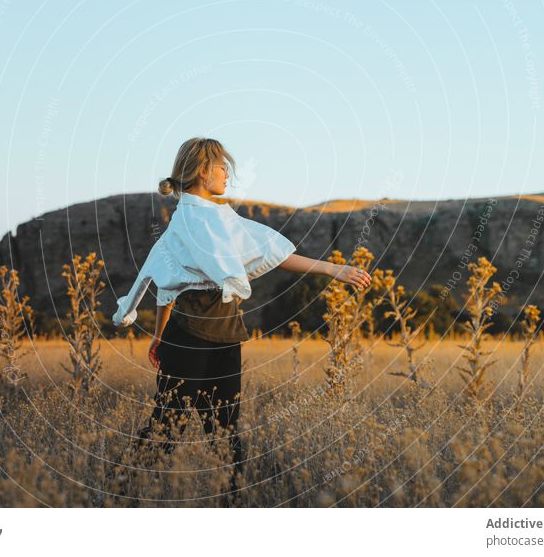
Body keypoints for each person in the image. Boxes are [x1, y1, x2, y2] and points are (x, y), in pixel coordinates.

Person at [112, 136, 371, 504]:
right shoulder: (191, 219)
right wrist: (160, 337)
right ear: (203, 171)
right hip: (189, 335)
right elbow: (167, 285)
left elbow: (265, 248)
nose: (226, 175)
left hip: (224, 332)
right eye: (221, 167)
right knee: (169, 424)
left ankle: (232, 505)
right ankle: (120, 495)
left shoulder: (219, 218)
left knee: (226, 431)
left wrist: (333, 269)